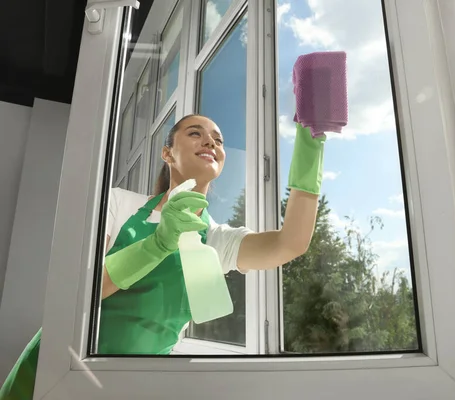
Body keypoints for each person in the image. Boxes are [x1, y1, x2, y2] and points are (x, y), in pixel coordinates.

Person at [0, 114, 326, 399]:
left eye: (218, 139)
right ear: (167, 153)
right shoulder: (119, 203)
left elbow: (290, 243)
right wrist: (157, 243)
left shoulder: (215, 240)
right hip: (54, 371)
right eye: (195, 133)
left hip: (136, 386)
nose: (210, 141)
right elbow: (79, 294)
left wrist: (310, 144)